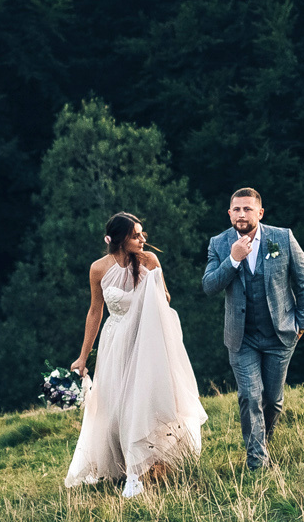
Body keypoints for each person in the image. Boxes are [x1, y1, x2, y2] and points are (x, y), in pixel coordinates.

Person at [64, 211, 208, 496]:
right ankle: (125, 467)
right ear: (118, 239)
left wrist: (151, 274)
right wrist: (83, 357)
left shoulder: (150, 261)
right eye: (135, 235)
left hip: (148, 340)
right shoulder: (98, 268)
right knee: (116, 407)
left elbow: (165, 299)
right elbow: (95, 311)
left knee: (142, 403)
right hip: (116, 341)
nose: (143, 239)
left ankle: (138, 473)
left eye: (142, 234)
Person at [202, 187, 304, 470]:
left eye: (247, 209)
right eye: (236, 209)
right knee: (249, 396)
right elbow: (209, 286)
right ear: (229, 213)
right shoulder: (219, 243)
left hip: (280, 334)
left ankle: (262, 443)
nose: (241, 214)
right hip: (242, 338)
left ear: (260, 213)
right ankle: (257, 462)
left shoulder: (282, 238)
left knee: (272, 401)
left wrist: (302, 323)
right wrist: (233, 259)